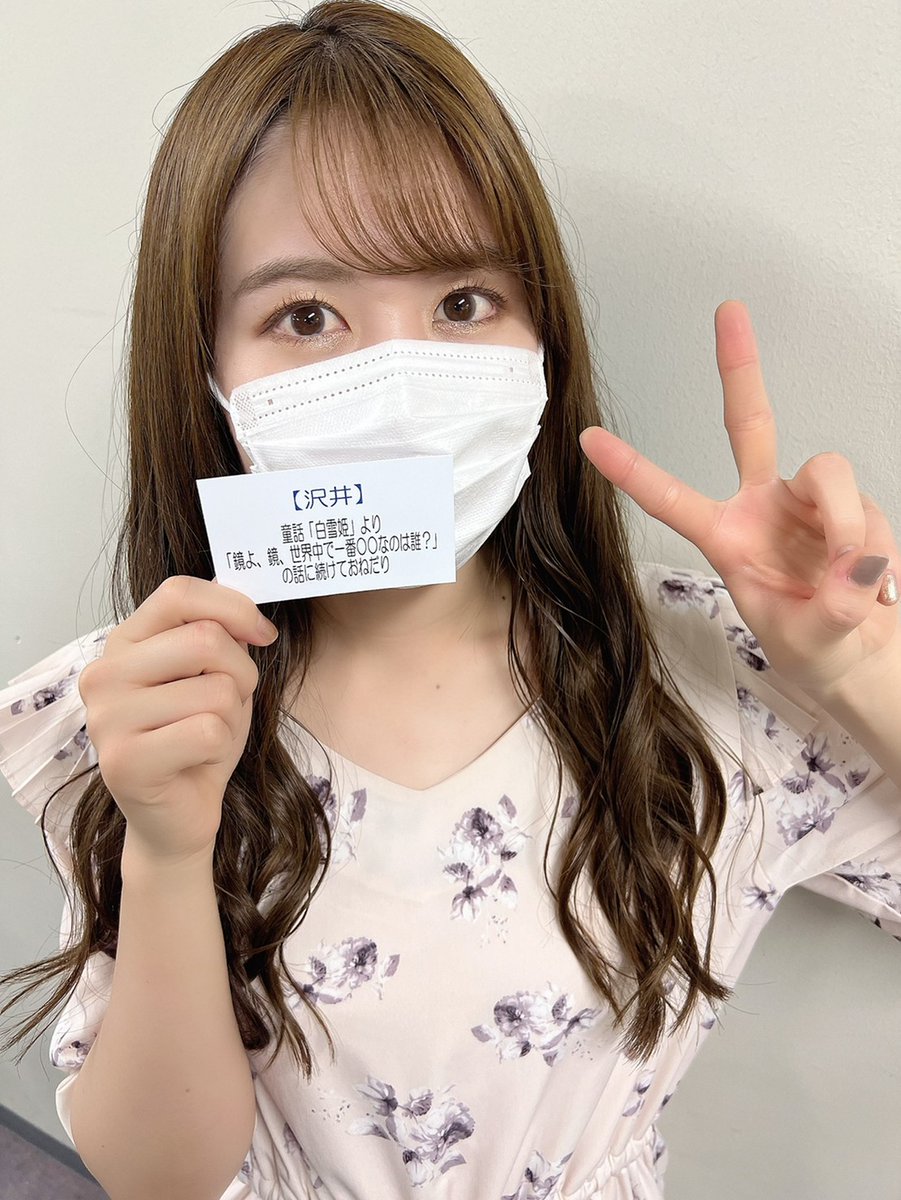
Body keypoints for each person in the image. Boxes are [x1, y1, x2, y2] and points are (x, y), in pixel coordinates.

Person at [1, 3, 899, 1198]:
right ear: (209, 373)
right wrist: (168, 851)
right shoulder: (147, 706)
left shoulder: (705, 676)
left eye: (463, 302)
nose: (398, 379)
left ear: (541, 336)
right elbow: (161, 1177)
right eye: (305, 317)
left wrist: (858, 673)